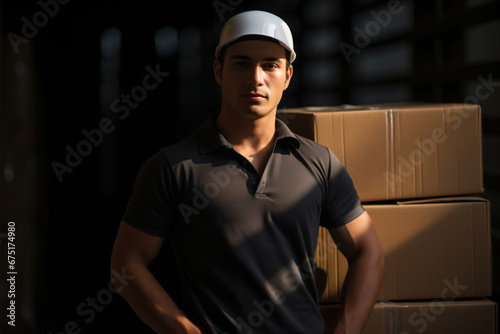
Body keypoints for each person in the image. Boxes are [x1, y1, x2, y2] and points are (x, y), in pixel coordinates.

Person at [110, 10, 384, 334]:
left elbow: (369, 251)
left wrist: (346, 330)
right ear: (218, 70)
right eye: (241, 63)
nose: (256, 78)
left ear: (288, 76)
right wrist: (184, 331)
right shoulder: (173, 167)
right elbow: (126, 265)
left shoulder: (319, 163)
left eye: (270, 65)